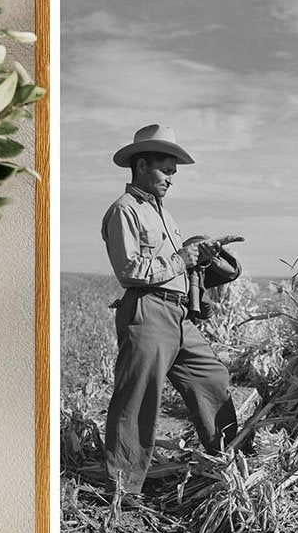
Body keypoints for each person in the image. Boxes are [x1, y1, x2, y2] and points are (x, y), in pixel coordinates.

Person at [100, 124, 239, 504]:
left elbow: (179, 265)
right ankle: (122, 491)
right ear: (142, 165)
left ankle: (234, 462)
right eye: (166, 171)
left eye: (173, 173)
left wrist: (200, 259)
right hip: (147, 311)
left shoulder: (166, 216)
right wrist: (182, 257)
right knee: (139, 398)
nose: (171, 180)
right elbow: (130, 271)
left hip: (178, 316)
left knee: (212, 377)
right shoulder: (124, 211)